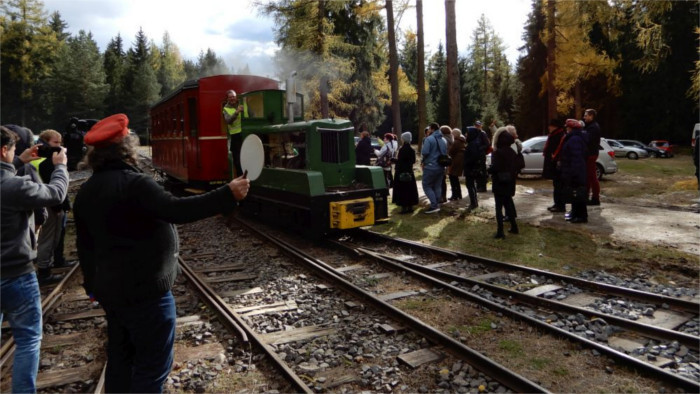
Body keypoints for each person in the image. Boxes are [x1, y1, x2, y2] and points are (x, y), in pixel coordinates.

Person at [73, 114, 250, 393]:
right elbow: (176, 210)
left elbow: (85, 247)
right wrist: (227, 194)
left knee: (121, 360)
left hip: (112, 293)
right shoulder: (135, 184)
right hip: (147, 296)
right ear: (127, 147)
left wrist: (92, 287)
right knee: (152, 368)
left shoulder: (86, 191)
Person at [1, 126, 69, 394]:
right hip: (16, 274)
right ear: (2, 150)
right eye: (13, 150)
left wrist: (19, 160)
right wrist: (61, 166)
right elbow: (55, 194)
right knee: (28, 340)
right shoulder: (15, 186)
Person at [34, 129, 77, 285]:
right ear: (46, 142)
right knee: (48, 238)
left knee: (54, 236)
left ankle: (51, 263)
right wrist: (59, 205)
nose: (59, 147)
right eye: (55, 143)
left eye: (60, 143)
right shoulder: (46, 161)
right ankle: (44, 270)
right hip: (50, 205)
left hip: (51, 203)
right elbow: (54, 186)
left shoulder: (46, 159)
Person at [489, 128, 524, 238]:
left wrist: (489, 170)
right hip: (510, 180)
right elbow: (520, 164)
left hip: (499, 181)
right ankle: (514, 227)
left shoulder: (497, 153)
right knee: (508, 204)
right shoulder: (513, 151)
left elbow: (495, 167)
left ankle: (500, 231)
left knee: (499, 207)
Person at [560, 119, 589, 223]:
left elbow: (576, 157)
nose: (566, 129)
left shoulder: (574, 139)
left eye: (567, 127)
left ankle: (581, 216)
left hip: (576, 171)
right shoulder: (575, 138)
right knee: (575, 194)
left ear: (571, 128)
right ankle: (576, 214)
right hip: (576, 170)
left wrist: (573, 173)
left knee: (578, 194)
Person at [421, 123, 446, 213]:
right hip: (441, 166)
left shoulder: (429, 139)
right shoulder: (443, 139)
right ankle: (437, 204)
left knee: (426, 185)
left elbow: (425, 152)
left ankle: (434, 205)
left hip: (430, 166)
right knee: (437, 186)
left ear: (431, 129)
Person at [392, 131, 419, 214]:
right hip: (409, 171)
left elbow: (400, 161)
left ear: (404, 139)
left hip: (401, 172)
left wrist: (394, 160)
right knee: (410, 189)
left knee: (402, 190)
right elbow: (413, 161)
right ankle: (410, 206)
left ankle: (404, 207)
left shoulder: (402, 149)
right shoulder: (412, 150)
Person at [222, 89, 248, 177]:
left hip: (246, 133)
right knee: (237, 159)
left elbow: (252, 114)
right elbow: (228, 120)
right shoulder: (225, 109)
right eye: (230, 97)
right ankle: (241, 176)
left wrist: (244, 111)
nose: (232, 98)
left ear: (236, 97)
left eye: (233, 96)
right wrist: (236, 112)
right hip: (235, 135)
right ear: (227, 99)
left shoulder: (243, 104)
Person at [543, 119, 566, 213]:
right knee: (556, 185)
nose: (549, 127)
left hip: (557, 164)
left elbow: (557, 150)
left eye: (550, 126)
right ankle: (557, 204)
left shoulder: (559, 136)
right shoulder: (554, 135)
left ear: (555, 126)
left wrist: (554, 158)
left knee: (558, 186)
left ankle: (560, 205)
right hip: (553, 163)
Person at [463, 126, 486, 209]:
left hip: (471, 168)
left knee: (470, 185)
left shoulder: (472, 144)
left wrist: (466, 162)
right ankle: (474, 202)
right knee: (471, 185)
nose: (466, 134)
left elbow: (473, 156)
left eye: (467, 133)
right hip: (472, 167)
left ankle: (473, 203)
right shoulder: (474, 142)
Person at [582, 109, 601, 206]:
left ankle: (595, 198)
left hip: (591, 154)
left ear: (591, 116)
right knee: (588, 176)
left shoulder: (593, 127)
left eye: (586, 115)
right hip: (589, 154)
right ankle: (587, 196)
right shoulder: (589, 127)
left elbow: (587, 140)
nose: (584, 117)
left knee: (592, 176)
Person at [473, 121, 491, 192]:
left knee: (482, 171)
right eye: (476, 125)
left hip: (481, 155)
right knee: (477, 170)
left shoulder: (483, 133)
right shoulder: (474, 134)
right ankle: (478, 186)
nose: (477, 126)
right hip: (475, 155)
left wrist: (480, 148)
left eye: (478, 125)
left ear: (481, 126)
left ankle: (483, 187)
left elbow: (487, 144)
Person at [448, 128, 465, 201]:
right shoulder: (462, 141)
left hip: (456, 160)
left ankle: (454, 195)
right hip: (460, 160)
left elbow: (451, 151)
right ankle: (459, 194)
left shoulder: (456, 142)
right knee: (455, 178)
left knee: (452, 177)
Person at [439, 126, 453, 203]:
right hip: (449, 161)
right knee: (443, 180)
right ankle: (444, 196)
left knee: (441, 180)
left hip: (443, 160)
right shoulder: (451, 138)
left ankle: (442, 196)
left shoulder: (444, 140)